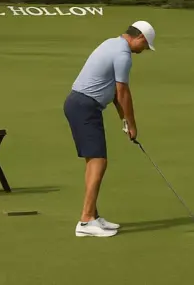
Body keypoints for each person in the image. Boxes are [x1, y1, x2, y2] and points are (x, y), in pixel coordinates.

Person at [63, 20, 155, 237]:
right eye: (145, 45)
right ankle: (85, 222)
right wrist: (132, 124)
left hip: (79, 104)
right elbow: (122, 92)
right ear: (139, 37)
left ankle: (93, 216)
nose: (144, 50)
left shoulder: (111, 43)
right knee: (98, 161)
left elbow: (113, 92)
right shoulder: (123, 55)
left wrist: (123, 118)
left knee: (93, 161)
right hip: (85, 106)